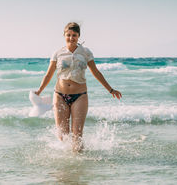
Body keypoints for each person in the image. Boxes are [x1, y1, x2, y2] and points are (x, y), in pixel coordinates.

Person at [35, 22, 122, 152]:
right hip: (59, 95)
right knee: (62, 136)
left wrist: (110, 90)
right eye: (68, 35)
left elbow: (96, 72)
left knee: (77, 136)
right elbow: (48, 74)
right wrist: (39, 91)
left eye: (74, 35)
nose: (71, 38)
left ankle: (79, 166)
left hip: (80, 96)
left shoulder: (86, 52)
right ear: (64, 35)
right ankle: (67, 167)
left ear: (78, 36)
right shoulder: (58, 53)